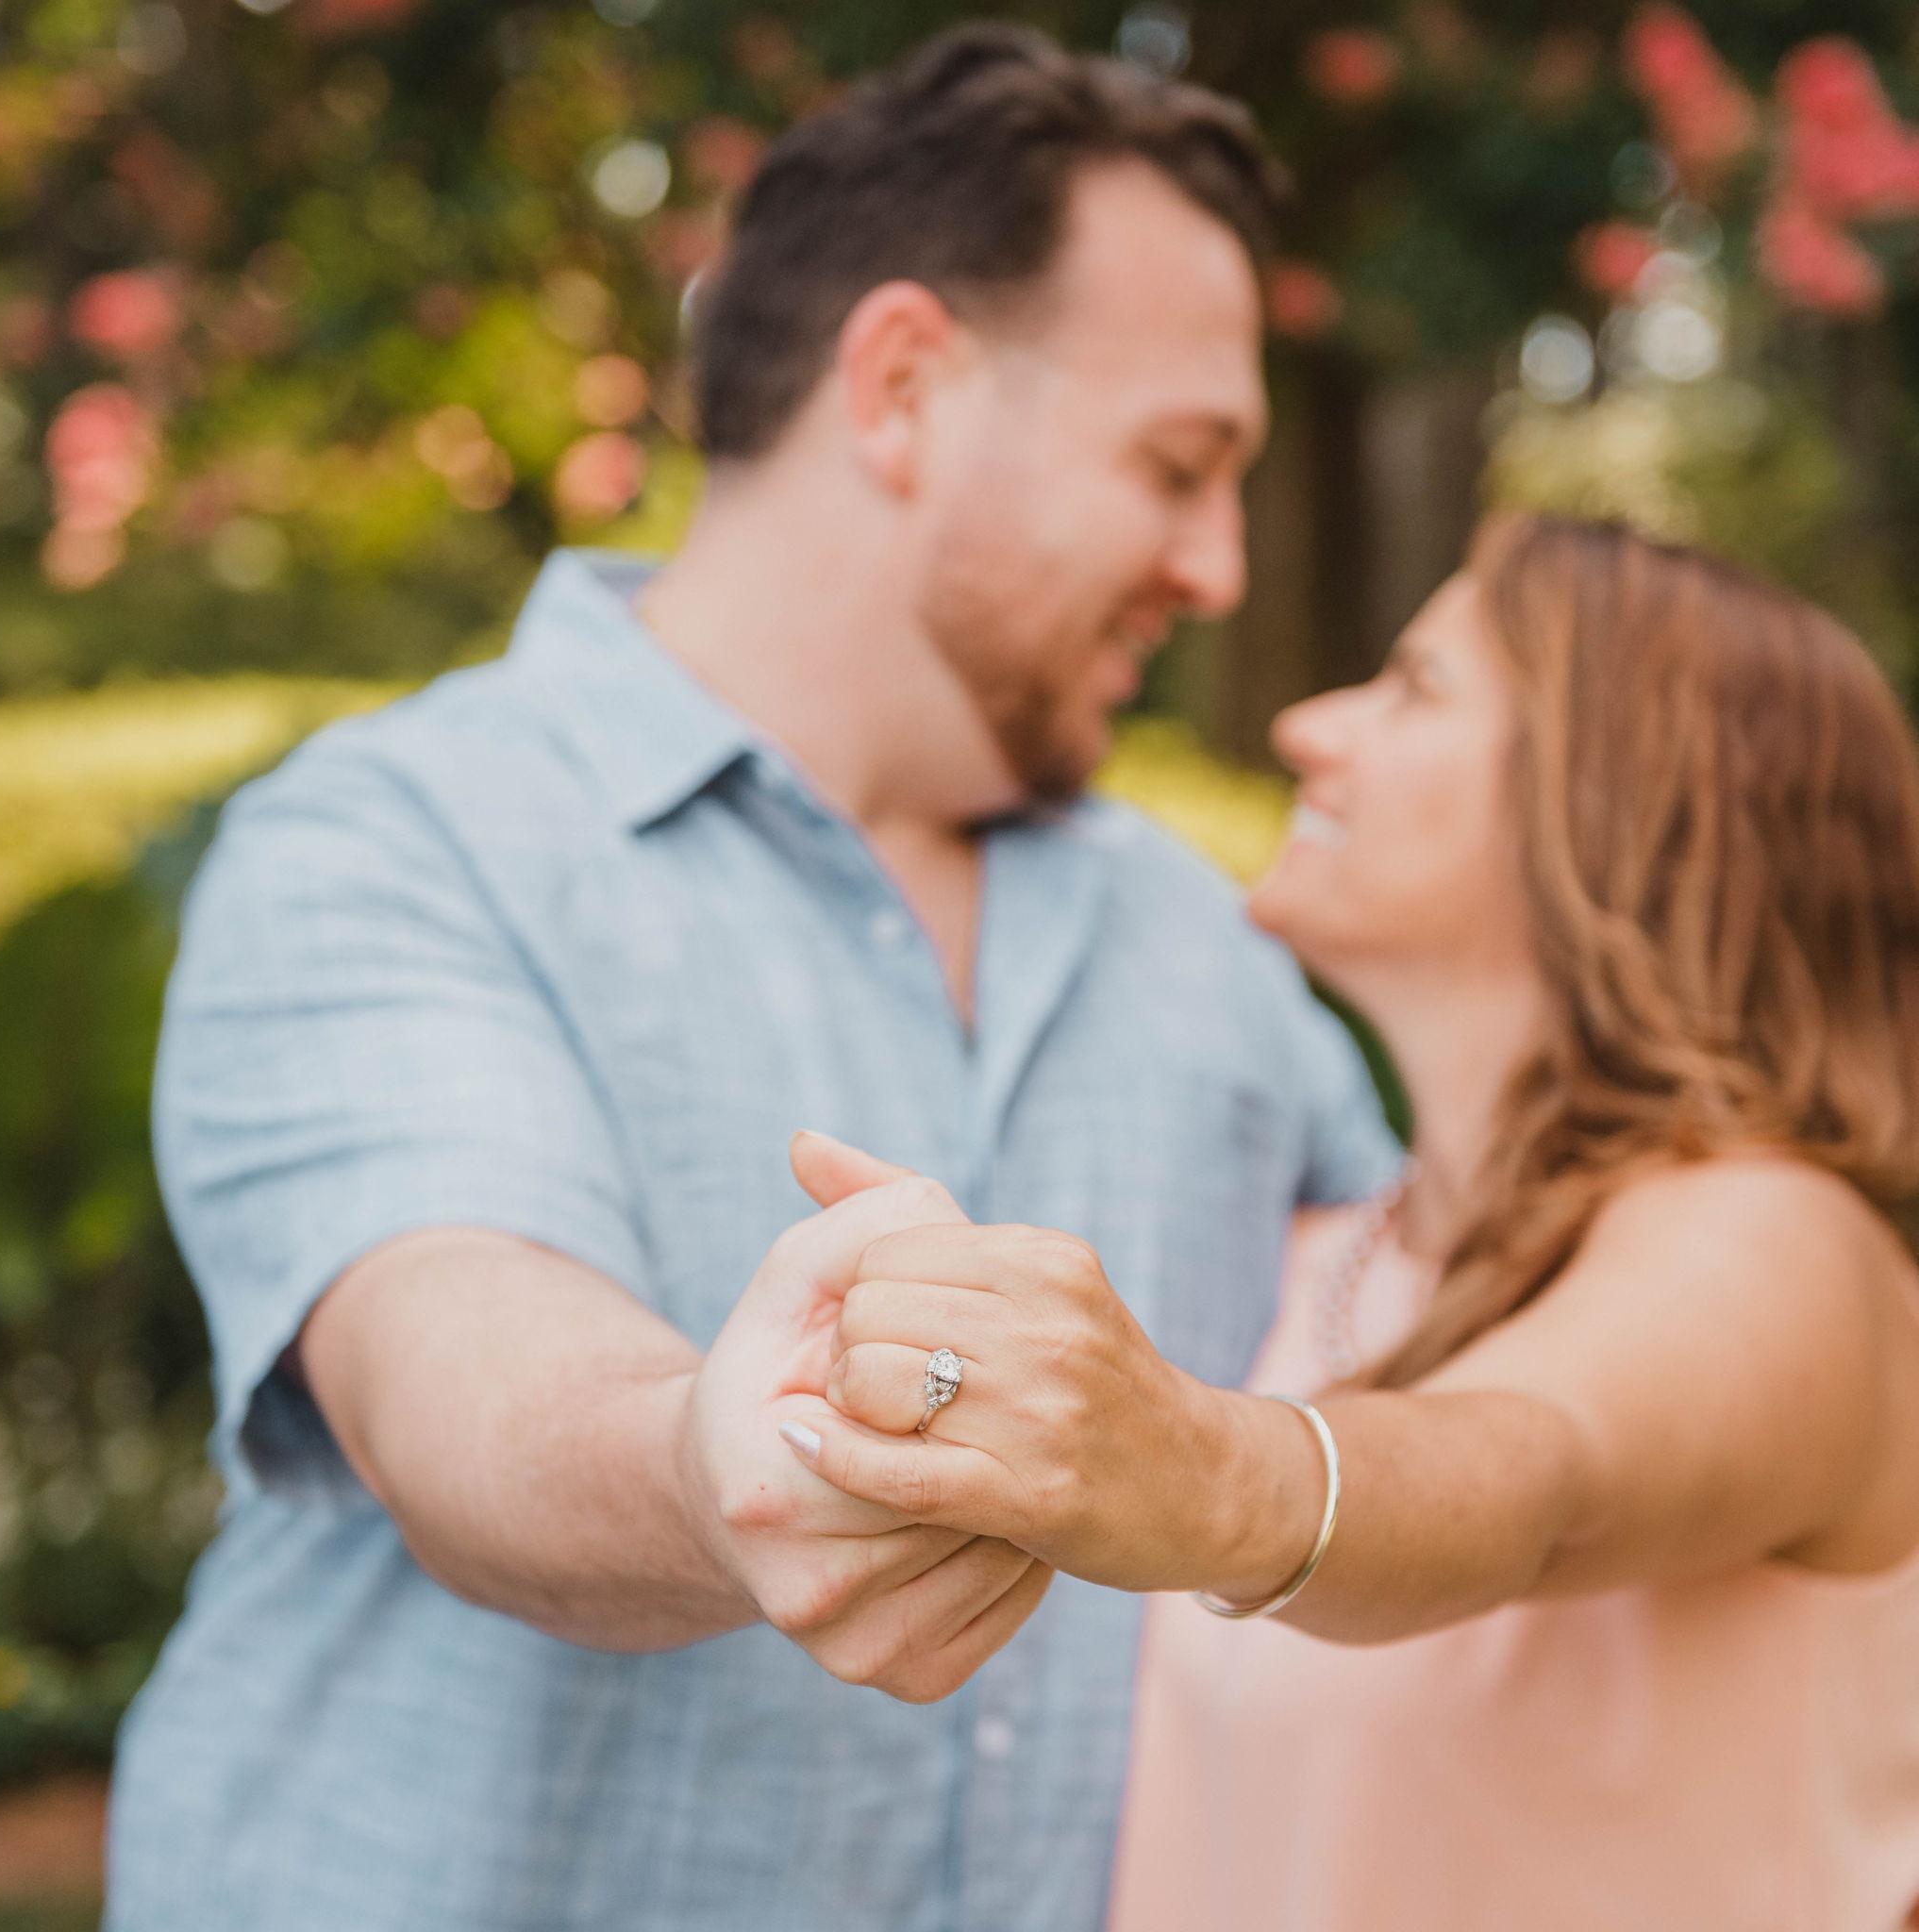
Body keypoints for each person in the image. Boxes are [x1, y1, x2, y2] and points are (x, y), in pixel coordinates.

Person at [103, 25, 1398, 1932]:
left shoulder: (1199, 936)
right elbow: (450, 1370)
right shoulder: (398, 834)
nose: (1216, 567)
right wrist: (712, 1464)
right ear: (900, 388)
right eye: (1176, 465)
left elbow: (1424, 1335)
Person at [788, 512, 1919, 1928]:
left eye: (1415, 687)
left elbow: (1532, 1471)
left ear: (1625, 799)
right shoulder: (1320, 1256)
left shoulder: (1782, 1242)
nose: (1311, 727)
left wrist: (1197, 1474)